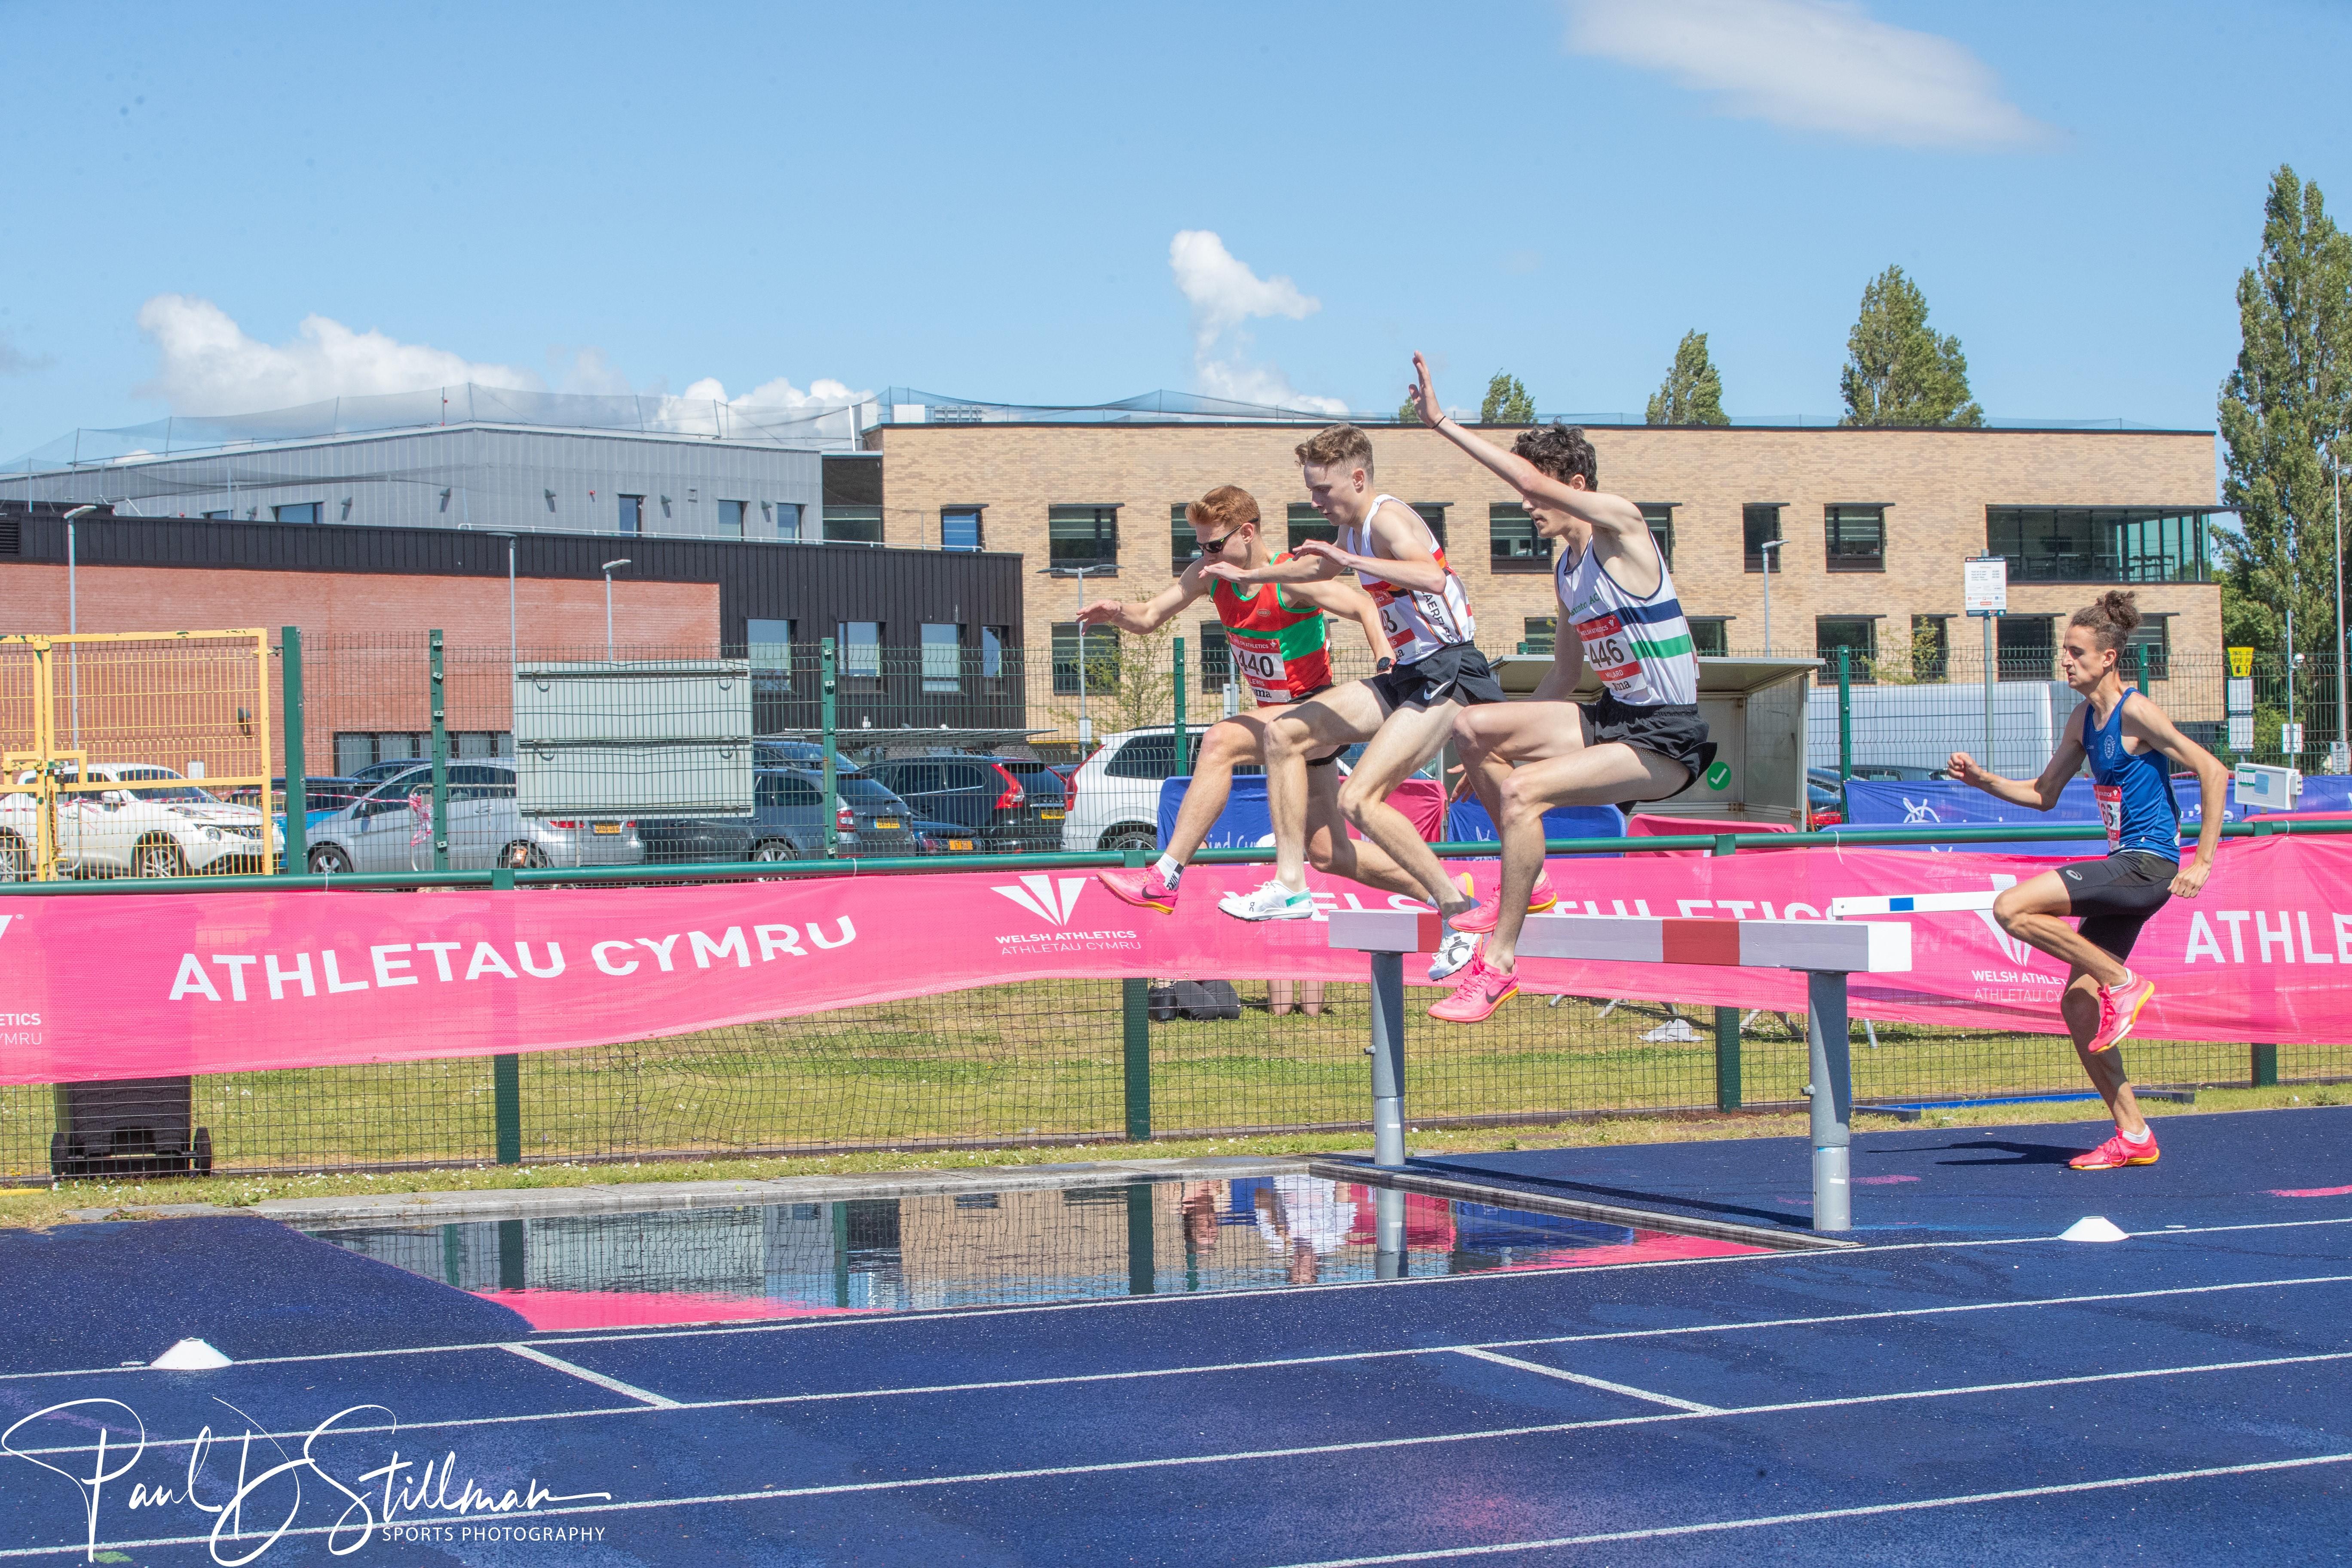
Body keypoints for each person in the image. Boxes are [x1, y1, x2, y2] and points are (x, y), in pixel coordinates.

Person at [1404, 352, 1717, 1023]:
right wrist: (1492, 753)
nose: (1526, 504)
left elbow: (1519, 472)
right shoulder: (1568, 571)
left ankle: (1500, 966)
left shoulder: (1623, 529)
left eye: (1539, 491)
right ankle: (1535, 881)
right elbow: (1564, 678)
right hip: (1612, 715)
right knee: (1467, 727)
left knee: (1521, 795)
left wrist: (1442, 424)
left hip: (1667, 734)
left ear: (1575, 485)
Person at [1209, 423, 1502, 982]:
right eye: (1311, 491)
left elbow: (1431, 578)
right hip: (1411, 672)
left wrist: (1353, 562)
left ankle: (1463, 913)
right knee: (1284, 734)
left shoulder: (1386, 519)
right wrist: (1250, 572)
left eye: (1323, 490)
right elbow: (1315, 570)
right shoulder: (1350, 532)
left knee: (1363, 801)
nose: (1316, 502)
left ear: (1358, 478)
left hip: (1450, 669)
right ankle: (1292, 886)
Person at [1947, 591, 2227, 1172]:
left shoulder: (2135, 711)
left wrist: (2202, 861)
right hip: (2125, 867)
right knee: (2077, 1005)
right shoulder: (2083, 719)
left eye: (2076, 653)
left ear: (2107, 657)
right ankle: (2134, 1133)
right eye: (2063, 652)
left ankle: (2122, 982)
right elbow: (2044, 795)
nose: (2065, 662)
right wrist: (1982, 780)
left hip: (2149, 864)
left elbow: (2213, 769)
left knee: (2012, 908)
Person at [1086, 484, 1427, 914]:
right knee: (1329, 854)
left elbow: (1364, 606)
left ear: (1247, 533)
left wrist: (1385, 661)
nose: (1206, 556)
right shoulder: (1210, 576)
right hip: (1284, 731)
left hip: (1320, 710)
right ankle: (1447, 890)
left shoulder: (1289, 579)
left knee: (1220, 741)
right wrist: (1118, 612)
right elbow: (1152, 615)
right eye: (1200, 546)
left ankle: (1164, 877)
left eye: (1214, 545)